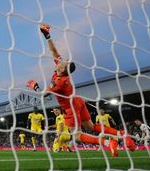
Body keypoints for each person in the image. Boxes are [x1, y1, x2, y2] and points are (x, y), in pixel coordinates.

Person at [26, 24, 135, 157]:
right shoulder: (61, 72)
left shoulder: (59, 82)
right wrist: (47, 36)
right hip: (78, 101)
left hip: (70, 107)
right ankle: (120, 134)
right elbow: (53, 51)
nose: (61, 61)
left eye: (63, 63)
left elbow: (44, 94)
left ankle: (108, 143)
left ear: (62, 69)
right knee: (91, 126)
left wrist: (35, 86)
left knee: (77, 135)